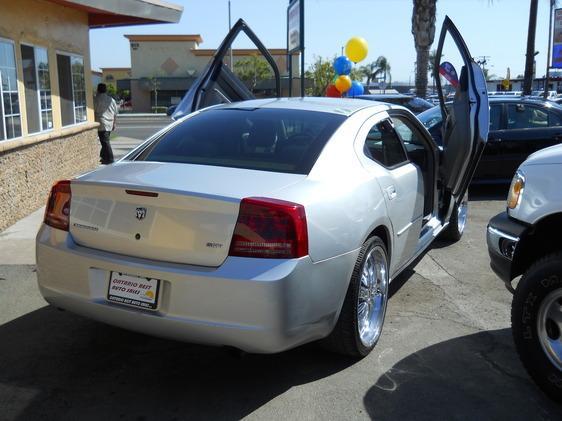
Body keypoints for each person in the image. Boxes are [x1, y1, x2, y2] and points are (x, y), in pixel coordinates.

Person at [94, 83, 118, 164]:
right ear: (106, 90)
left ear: (98, 90)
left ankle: (110, 159)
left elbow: (94, 111)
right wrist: (114, 123)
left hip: (102, 123)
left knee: (105, 142)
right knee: (105, 141)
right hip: (110, 123)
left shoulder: (96, 99)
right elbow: (115, 113)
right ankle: (104, 157)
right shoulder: (111, 99)